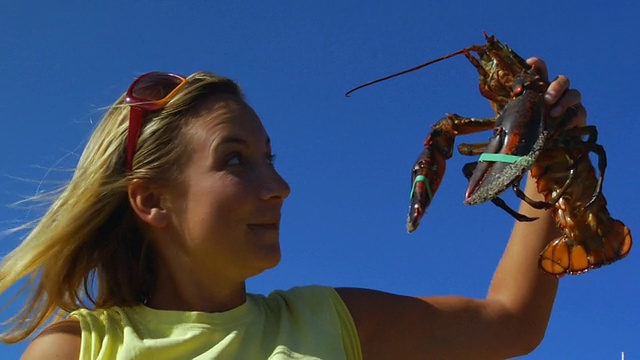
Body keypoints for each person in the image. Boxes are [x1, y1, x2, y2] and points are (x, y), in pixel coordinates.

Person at [2, 56, 585, 359]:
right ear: (152, 200)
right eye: (235, 161)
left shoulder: (330, 323)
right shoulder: (79, 350)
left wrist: (545, 156)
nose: (279, 185)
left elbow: (510, 321)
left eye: (270, 157)